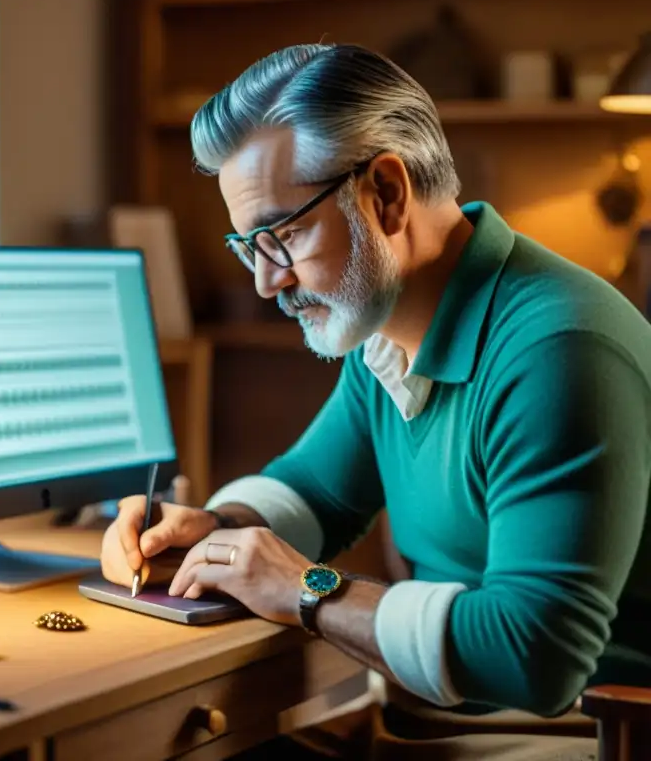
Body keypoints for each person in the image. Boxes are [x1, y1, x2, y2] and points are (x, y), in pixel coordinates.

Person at [100, 43, 651, 761]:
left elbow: (534, 657)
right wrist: (210, 531)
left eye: (284, 235)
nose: (268, 281)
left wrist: (307, 589)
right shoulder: (389, 331)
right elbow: (319, 491)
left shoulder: (558, 348)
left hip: (575, 738)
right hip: (435, 721)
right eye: (249, 247)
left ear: (386, 194)